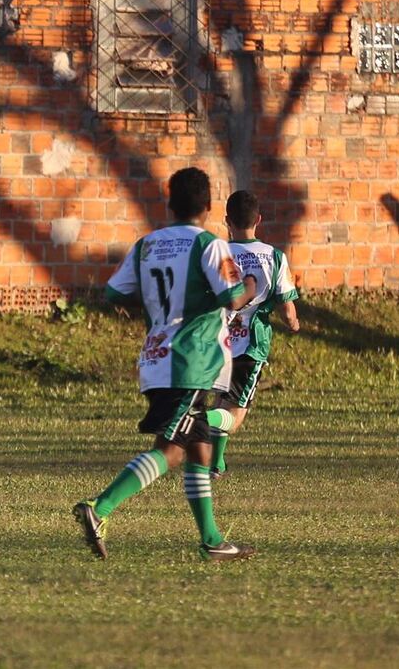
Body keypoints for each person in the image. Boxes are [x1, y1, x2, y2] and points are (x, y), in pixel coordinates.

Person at [72, 167, 257, 562]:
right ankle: (98, 507)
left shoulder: (147, 244)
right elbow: (234, 298)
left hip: (157, 358)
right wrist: (252, 287)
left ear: (169, 203)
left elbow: (112, 293)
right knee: (172, 450)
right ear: (208, 207)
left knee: (200, 447)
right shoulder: (210, 245)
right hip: (190, 361)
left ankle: (212, 540)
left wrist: (161, 309)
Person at [206, 190, 300, 478]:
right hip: (251, 345)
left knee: (223, 401)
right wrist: (293, 324)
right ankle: (193, 418)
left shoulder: (218, 254)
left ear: (227, 221)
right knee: (233, 418)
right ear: (258, 219)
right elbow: (287, 307)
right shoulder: (274, 257)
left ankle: (216, 464)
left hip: (217, 340)